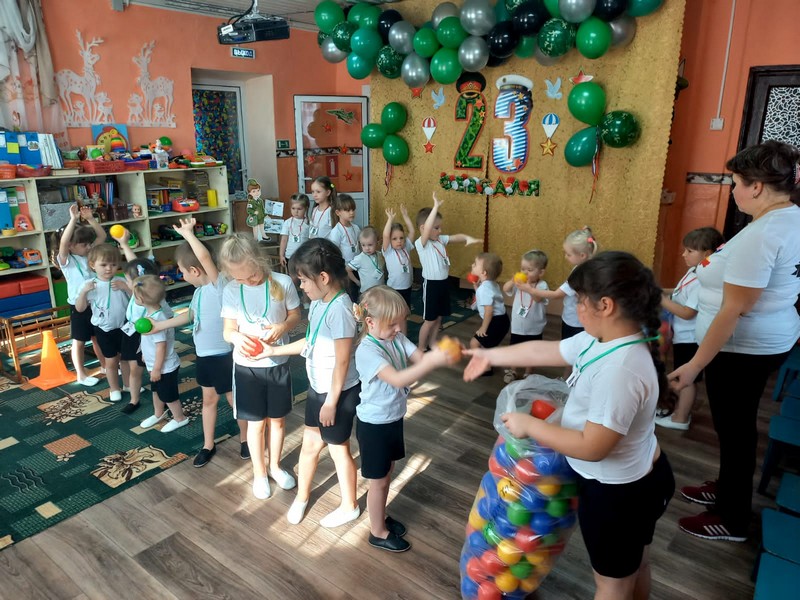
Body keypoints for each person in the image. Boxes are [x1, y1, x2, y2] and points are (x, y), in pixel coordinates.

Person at [464, 251, 676, 600]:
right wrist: (489, 355)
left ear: (605, 305)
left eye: (580, 300)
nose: (575, 307)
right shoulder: (602, 339)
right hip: (632, 481)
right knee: (633, 565)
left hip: (619, 494)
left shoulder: (620, 370)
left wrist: (529, 425)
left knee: (612, 584)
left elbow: (593, 446)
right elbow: (543, 352)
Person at [670, 141, 800, 542]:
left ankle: (732, 518)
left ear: (756, 186)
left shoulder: (763, 234)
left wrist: (694, 365)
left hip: (742, 349)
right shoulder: (788, 217)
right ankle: (728, 488)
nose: (733, 191)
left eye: (735, 183)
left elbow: (734, 310)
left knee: (736, 430)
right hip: (765, 341)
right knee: (736, 427)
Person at [261, 238, 361, 527]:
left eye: (304, 280)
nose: (301, 286)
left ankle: (350, 506)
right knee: (310, 446)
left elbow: (342, 361)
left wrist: (331, 402)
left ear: (324, 278)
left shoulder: (340, 309)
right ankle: (302, 497)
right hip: (319, 390)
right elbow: (310, 341)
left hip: (337, 394)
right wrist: (273, 351)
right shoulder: (319, 303)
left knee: (339, 450)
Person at [353, 286, 457, 552]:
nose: (399, 329)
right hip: (374, 426)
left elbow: (419, 358)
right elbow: (398, 379)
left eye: (401, 322)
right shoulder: (367, 351)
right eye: (392, 324)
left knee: (387, 473)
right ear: (370, 322)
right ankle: (377, 532)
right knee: (378, 481)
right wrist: (431, 362)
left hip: (392, 418)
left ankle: (381, 516)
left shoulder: (395, 338)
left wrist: (439, 356)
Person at [145, 218, 246, 468]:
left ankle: (246, 439)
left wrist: (189, 235)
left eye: (182, 270)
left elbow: (204, 258)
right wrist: (159, 326)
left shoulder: (218, 286)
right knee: (208, 401)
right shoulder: (199, 292)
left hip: (224, 356)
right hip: (204, 357)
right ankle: (208, 444)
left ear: (195, 270)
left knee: (234, 400)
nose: (181, 275)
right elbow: (190, 316)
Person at [219, 234, 300, 499]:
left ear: (259, 260)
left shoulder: (282, 282)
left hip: (277, 362)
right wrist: (236, 337)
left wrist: (283, 327)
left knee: (277, 421)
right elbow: (228, 330)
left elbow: (295, 315)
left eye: (251, 275)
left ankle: (275, 466)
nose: (247, 281)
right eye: (239, 278)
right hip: (247, 367)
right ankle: (260, 472)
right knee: (255, 424)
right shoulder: (232, 290)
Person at [657, 227, 724, 430]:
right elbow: (679, 292)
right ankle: (678, 411)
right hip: (682, 336)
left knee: (686, 379)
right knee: (682, 376)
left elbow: (687, 312)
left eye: (689, 251)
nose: (683, 254)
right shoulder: (697, 269)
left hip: (690, 338)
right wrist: (661, 290)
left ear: (707, 254)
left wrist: (661, 299)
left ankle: (681, 418)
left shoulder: (703, 280)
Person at [110, 227, 174, 414]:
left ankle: (163, 399)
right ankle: (134, 399)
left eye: (128, 280)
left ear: (139, 283)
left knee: (152, 369)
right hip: (132, 331)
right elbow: (134, 264)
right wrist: (124, 244)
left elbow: (167, 320)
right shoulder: (140, 287)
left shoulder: (151, 297)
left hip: (148, 335)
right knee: (134, 368)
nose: (126, 281)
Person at [414, 192, 482, 353]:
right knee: (429, 320)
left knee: (439, 318)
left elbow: (454, 237)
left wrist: (467, 238)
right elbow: (428, 228)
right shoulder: (421, 243)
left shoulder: (440, 240)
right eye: (436, 227)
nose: (440, 230)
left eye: (440, 227)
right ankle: (421, 347)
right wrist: (435, 207)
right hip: (431, 285)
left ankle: (432, 343)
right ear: (424, 228)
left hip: (443, 283)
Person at [52, 204, 107, 385]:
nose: (89, 246)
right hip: (79, 306)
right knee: (79, 341)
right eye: (84, 244)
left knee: (98, 337)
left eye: (89, 243)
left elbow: (102, 236)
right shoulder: (66, 260)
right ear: (71, 246)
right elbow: (63, 243)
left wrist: (90, 219)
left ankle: (105, 366)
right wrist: (73, 220)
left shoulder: (88, 253)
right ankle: (81, 375)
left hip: (95, 303)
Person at [132, 275, 188, 433]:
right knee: (156, 390)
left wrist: (157, 369)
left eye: (134, 295)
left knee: (168, 395)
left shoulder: (158, 319)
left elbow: (161, 346)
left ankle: (180, 418)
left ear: (141, 299)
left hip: (165, 367)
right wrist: (145, 354)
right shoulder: (150, 315)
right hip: (155, 364)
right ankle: (158, 414)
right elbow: (150, 341)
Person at [75, 244, 128, 402]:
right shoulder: (90, 284)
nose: (109, 269)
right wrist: (84, 292)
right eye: (103, 265)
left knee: (126, 359)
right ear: (93, 265)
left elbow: (136, 300)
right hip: (104, 330)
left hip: (124, 327)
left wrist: (126, 288)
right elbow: (80, 308)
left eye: (113, 264)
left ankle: (128, 385)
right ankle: (114, 388)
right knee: (111, 361)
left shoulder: (121, 281)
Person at [527, 227, 599, 340]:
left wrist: (530, 290)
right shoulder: (589, 267)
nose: (565, 257)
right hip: (582, 319)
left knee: (571, 345)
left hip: (575, 322)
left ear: (582, 255)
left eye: (568, 254)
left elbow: (556, 294)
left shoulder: (579, 274)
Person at [501, 249, 549, 383]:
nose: (525, 273)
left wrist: (528, 288)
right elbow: (506, 289)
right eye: (522, 269)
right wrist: (512, 281)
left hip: (535, 327)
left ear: (541, 272)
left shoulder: (542, 285)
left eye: (529, 270)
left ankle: (529, 372)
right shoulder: (519, 283)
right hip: (518, 325)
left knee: (532, 351)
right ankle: (513, 370)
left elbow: (538, 299)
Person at [468, 252, 510, 376]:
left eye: (475, 264)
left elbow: (489, 311)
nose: (472, 265)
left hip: (496, 322)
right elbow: (485, 297)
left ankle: (485, 368)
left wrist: (483, 327)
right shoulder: (490, 284)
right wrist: (476, 288)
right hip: (502, 320)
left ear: (483, 273)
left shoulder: (484, 289)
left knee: (474, 343)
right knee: (486, 344)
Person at [382, 205, 416, 307]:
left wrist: (405, 216)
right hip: (394, 288)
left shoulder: (406, 247)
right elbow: (385, 235)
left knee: (405, 308)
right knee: (394, 310)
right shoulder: (388, 251)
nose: (399, 241)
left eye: (401, 238)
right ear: (390, 240)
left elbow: (412, 231)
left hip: (407, 286)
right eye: (394, 238)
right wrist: (390, 219)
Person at [347, 226, 385, 296]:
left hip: (380, 291)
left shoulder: (380, 255)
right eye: (363, 245)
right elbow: (348, 269)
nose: (367, 248)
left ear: (377, 242)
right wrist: (357, 282)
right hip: (366, 293)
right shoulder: (359, 258)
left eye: (370, 245)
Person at [279, 193, 310, 270]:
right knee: (292, 275)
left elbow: (311, 240)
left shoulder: (309, 223)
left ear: (306, 208)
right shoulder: (287, 222)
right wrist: (281, 255)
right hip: (290, 256)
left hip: (304, 257)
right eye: (293, 208)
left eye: (299, 209)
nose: (296, 211)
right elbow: (284, 240)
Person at [308, 176, 335, 240]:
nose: (314, 195)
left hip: (326, 244)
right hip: (314, 243)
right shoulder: (314, 210)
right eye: (313, 192)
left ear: (328, 192)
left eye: (318, 192)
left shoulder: (331, 211)